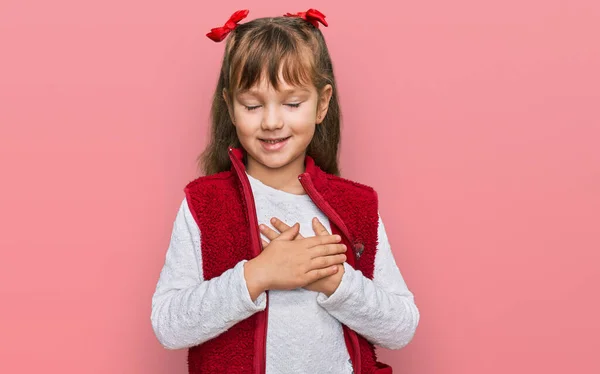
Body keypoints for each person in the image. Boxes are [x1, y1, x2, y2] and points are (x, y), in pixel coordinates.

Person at [151, 8, 420, 374]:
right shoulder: (205, 204)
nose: (272, 121)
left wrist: (336, 281)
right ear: (230, 106)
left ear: (322, 104)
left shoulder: (357, 207)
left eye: (292, 103)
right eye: (252, 105)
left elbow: (401, 327)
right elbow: (168, 325)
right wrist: (259, 274)